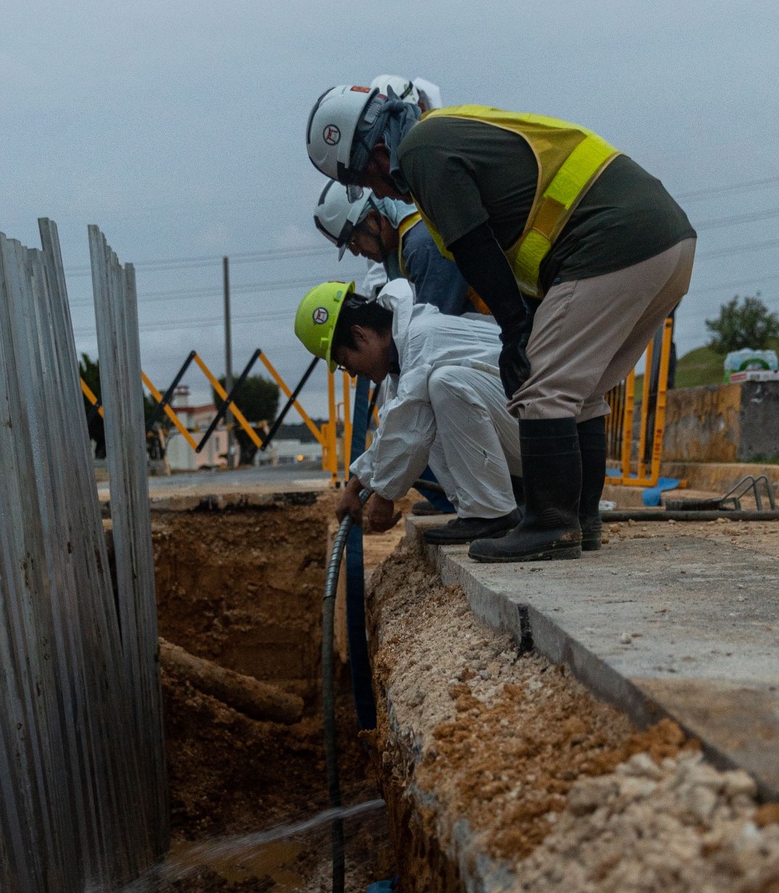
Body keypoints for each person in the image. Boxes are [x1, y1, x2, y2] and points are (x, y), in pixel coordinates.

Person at [305, 86, 696, 562]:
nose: (380, 194)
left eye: (369, 181)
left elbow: (475, 246)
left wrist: (516, 328)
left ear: (381, 153)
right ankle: (580, 523)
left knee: (545, 388)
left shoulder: (422, 152)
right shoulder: (443, 138)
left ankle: (551, 525)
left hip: (613, 240)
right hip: (662, 239)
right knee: (580, 394)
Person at [294, 278, 521, 543]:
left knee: (444, 383)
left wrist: (385, 494)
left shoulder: (421, 337)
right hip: (521, 430)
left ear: (360, 334)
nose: (353, 373)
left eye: (345, 362)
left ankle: (490, 514)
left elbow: (408, 434)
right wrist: (355, 486)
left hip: (536, 431)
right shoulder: (403, 358)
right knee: (428, 401)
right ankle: (484, 509)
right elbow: (394, 428)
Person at [314, 181, 470, 314]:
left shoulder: (422, 246)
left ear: (374, 218)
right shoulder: (405, 242)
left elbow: (436, 325)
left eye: (354, 241)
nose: (356, 253)